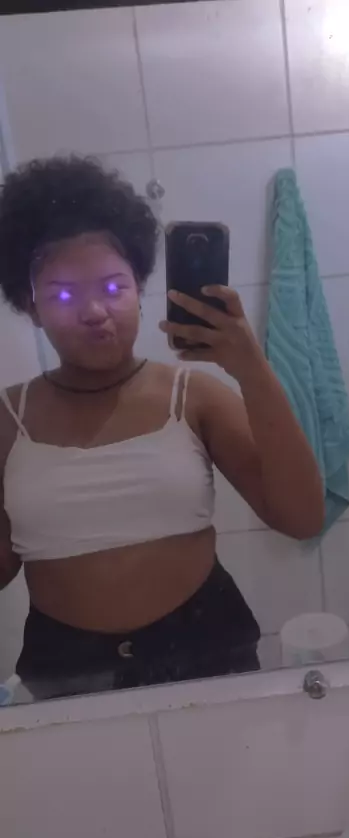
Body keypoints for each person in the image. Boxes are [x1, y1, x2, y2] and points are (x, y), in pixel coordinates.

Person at [0, 156, 325, 701]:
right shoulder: (7, 420)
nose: (94, 311)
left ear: (140, 286)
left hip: (207, 651)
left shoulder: (195, 396)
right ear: (30, 307)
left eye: (114, 286)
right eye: (62, 295)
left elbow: (302, 518)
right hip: (66, 671)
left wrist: (251, 368)